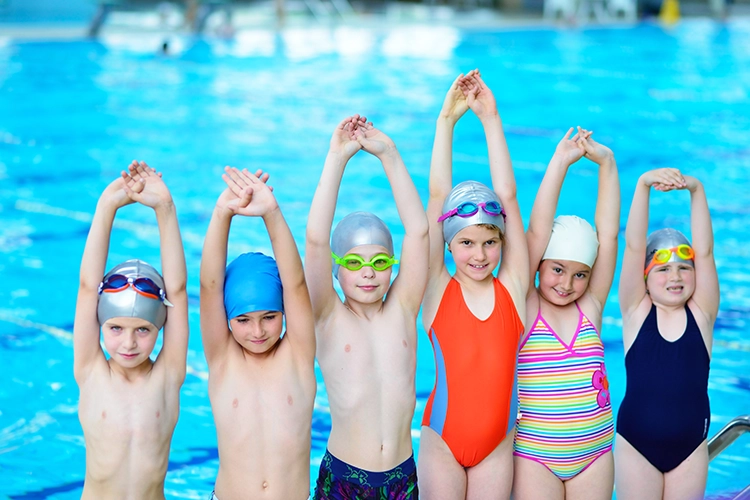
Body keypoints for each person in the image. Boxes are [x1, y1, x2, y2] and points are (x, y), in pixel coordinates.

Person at [305, 115, 428, 499]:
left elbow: (419, 231)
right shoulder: (327, 316)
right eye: (355, 264)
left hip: (401, 478)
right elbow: (314, 240)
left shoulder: (403, 309)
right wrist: (336, 158)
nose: (368, 274)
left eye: (380, 263)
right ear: (337, 270)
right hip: (344, 478)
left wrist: (389, 155)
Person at [418, 70, 528, 499]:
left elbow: (509, 196)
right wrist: (446, 122)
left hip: (498, 447)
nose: (479, 255)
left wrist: (491, 119)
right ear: (448, 245)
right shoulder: (436, 290)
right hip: (441, 442)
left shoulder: (513, 289)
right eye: (466, 242)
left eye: (489, 242)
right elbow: (435, 198)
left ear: (502, 240)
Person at [513, 128, 620, 499]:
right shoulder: (525, 304)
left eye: (580, 274)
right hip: (534, 456)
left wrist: (607, 164)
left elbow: (609, 235)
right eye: (557, 269)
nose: (567, 283)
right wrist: (560, 162)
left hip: (594, 454)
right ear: (539, 264)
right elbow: (536, 229)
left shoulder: (590, 307)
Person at [73, 161, 189, 500]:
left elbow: (178, 292)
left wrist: (165, 209)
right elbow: (86, 287)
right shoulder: (90, 371)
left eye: (143, 330)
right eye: (116, 328)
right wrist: (106, 207)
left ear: (160, 326)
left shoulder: (168, 377)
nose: (128, 342)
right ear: (100, 323)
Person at [200, 166, 316, 500]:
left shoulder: (297, 355)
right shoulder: (223, 361)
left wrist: (272, 213)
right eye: (243, 320)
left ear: (283, 312)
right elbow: (209, 288)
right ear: (227, 320)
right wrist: (223, 213)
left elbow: (295, 283)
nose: (258, 331)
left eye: (269, 317)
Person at [615, 168, 718, 500]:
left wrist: (696, 189)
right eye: (662, 269)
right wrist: (643, 184)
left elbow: (704, 251)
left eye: (684, 268)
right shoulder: (636, 311)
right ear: (645, 277)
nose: (675, 276)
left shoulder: (701, 312)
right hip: (635, 446)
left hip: (690, 448)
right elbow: (632, 248)